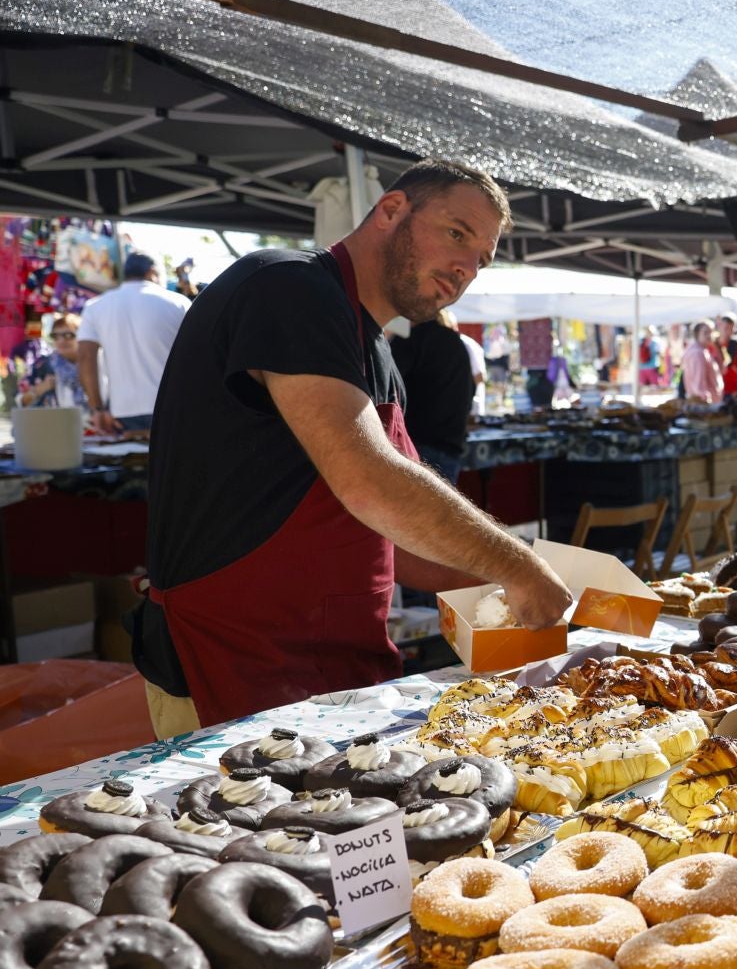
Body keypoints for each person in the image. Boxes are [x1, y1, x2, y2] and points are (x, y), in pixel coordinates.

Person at [129, 160, 573, 737]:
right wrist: (518, 565)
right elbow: (369, 478)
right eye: (457, 233)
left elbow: (405, 543)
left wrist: (521, 595)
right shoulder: (288, 286)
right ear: (391, 210)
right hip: (233, 662)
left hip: (336, 671)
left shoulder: (378, 355)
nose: (465, 266)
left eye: (481, 259)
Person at [75, 252, 190, 434]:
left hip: (123, 412)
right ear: (152, 272)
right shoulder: (179, 303)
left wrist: (97, 409)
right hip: (173, 408)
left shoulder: (95, 306)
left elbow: (85, 357)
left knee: (130, 461)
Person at [389, 308, 477, 484]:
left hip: (417, 447)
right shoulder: (454, 341)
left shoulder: (412, 340)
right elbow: (471, 388)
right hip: (449, 447)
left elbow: (387, 386)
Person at [20, 313, 86, 410]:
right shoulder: (42, 365)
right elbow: (21, 401)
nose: (61, 341)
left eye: (68, 335)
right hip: (55, 423)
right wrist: (40, 389)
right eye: (55, 336)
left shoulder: (96, 364)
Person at [680, 322, 722, 403]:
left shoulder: (702, 350)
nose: (710, 335)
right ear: (697, 334)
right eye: (706, 333)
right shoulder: (697, 353)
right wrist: (706, 402)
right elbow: (698, 383)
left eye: (711, 332)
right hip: (704, 404)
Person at [715, 315, 737, 397]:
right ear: (719, 326)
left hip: (732, 394)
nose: (727, 332)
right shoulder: (710, 346)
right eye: (725, 328)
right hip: (714, 392)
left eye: (731, 329)